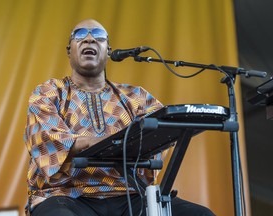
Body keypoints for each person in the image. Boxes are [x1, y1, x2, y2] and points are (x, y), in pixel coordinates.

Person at [24, 18, 215, 216]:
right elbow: (47, 140)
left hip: (130, 194)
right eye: (80, 34)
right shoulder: (49, 92)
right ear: (69, 50)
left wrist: (109, 143)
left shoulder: (137, 97)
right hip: (66, 196)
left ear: (108, 51)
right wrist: (112, 141)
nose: (89, 40)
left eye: (98, 37)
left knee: (201, 214)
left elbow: (158, 139)